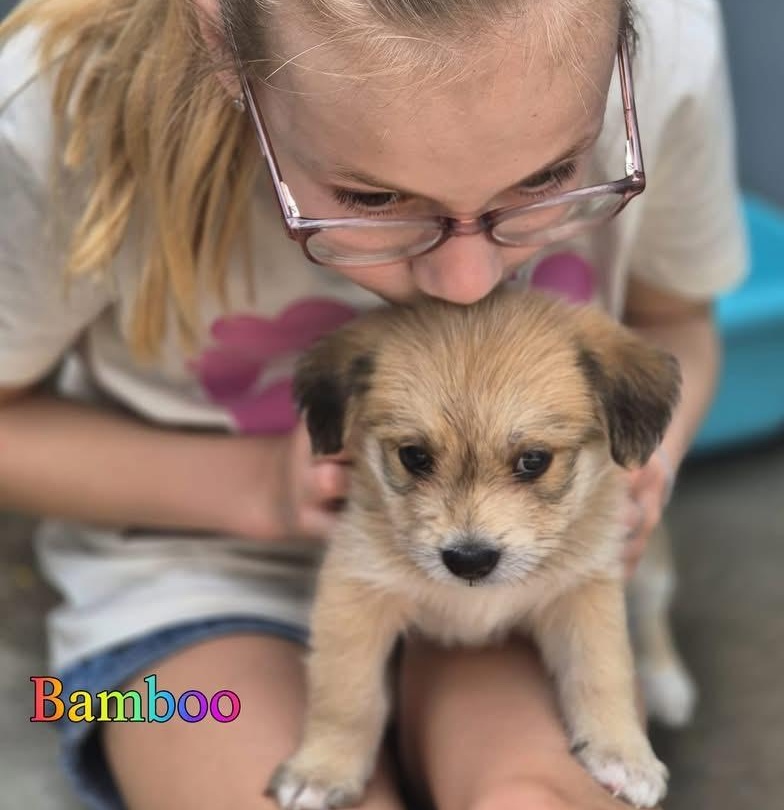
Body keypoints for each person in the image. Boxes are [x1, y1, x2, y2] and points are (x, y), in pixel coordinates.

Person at [0, 0, 746, 807]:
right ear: (220, 34)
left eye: (546, 176)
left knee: (532, 797)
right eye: (368, 196)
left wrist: (641, 474)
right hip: (193, 573)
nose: (466, 283)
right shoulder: (56, 112)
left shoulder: (658, 39)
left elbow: (675, 322)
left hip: (524, 590)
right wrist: (250, 484)